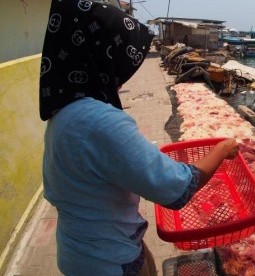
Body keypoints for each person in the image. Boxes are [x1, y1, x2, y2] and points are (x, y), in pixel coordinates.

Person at [39, 1, 239, 275]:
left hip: (78, 250)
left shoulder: (64, 113)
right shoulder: (99, 122)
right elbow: (178, 188)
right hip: (107, 261)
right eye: (118, 61)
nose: (121, 77)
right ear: (100, 55)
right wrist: (223, 148)